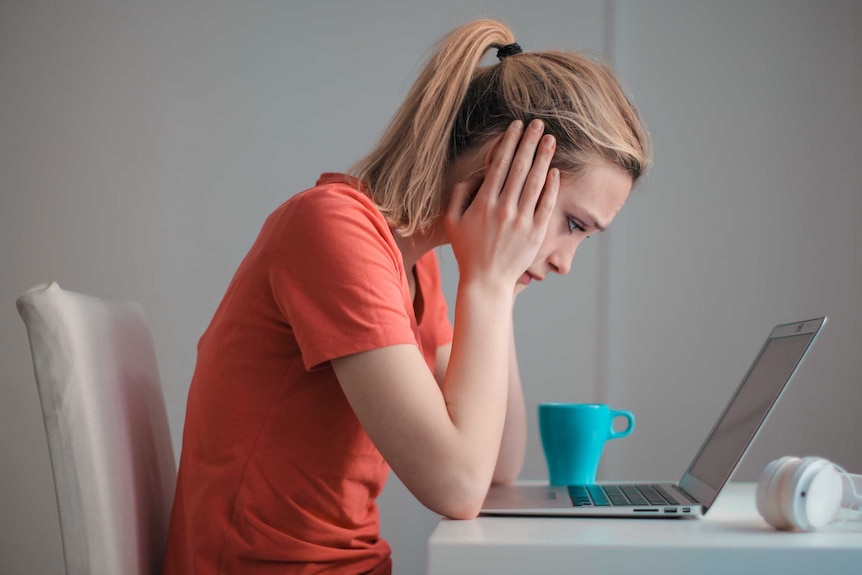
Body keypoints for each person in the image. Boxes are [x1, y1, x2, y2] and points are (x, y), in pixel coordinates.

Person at [162, 18, 651, 575]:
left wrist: (500, 287)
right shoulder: (331, 230)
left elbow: (496, 468)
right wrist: (488, 285)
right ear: (505, 168)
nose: (566, 261)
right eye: (572, 224)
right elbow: (458, 486)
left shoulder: (418, 270)